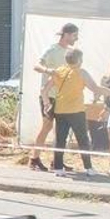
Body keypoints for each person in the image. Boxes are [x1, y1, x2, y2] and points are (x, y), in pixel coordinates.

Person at [46, 48, 107, 175]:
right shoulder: (81, 72)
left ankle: (58, 168)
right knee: (82, 139)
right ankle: (88, 167)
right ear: (79, 59)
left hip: (60, 110)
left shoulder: (59, 71)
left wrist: (46, 103)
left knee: (60, 139)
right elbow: (95, 88)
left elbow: (44, 89)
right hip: (76, 110)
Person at [28, 23, 78, 171]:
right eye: (74, 35)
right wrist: (49, 71)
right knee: (47, 126)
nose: (76, 38)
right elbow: (37, 66)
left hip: (64, 96)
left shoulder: (72, 52)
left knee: (61, 129)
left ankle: (57, 160)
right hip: (49, 95)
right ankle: (34, 158)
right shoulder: (52, 49)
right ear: (66, 34)